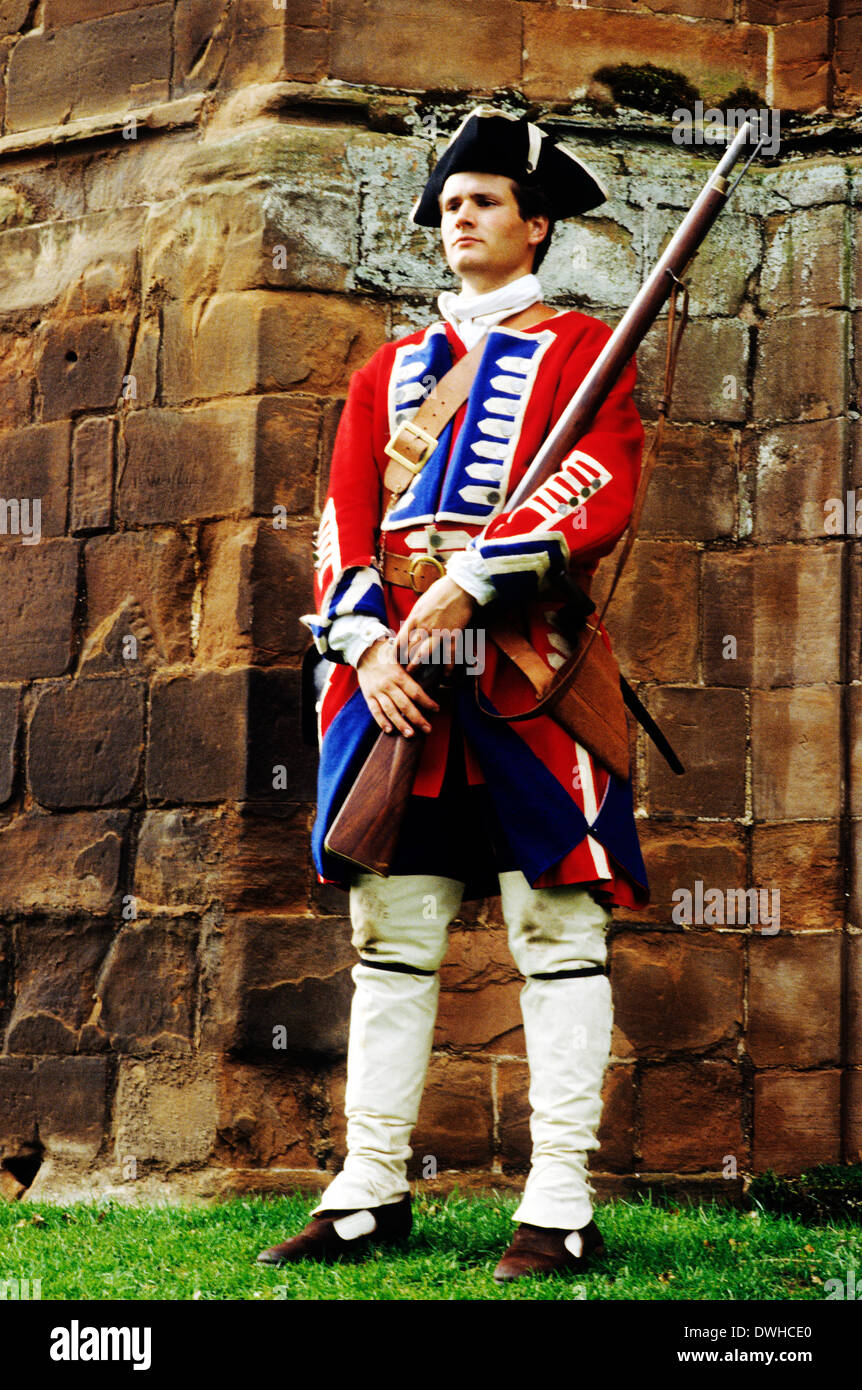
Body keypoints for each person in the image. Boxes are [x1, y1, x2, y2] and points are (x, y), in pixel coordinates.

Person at [257, 107, 649, 1282]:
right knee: (393, 936)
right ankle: (370, 1188)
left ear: (535, 226)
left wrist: (479, 577)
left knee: (556, 932)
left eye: (483, 201)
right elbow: (341, 526)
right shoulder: (386, 372)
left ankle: (560, 1200)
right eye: (450, 204)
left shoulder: (584, 352)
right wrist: (367, 647)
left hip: (528, 673)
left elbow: (600, 481)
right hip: (398, 690)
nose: (459, 219)